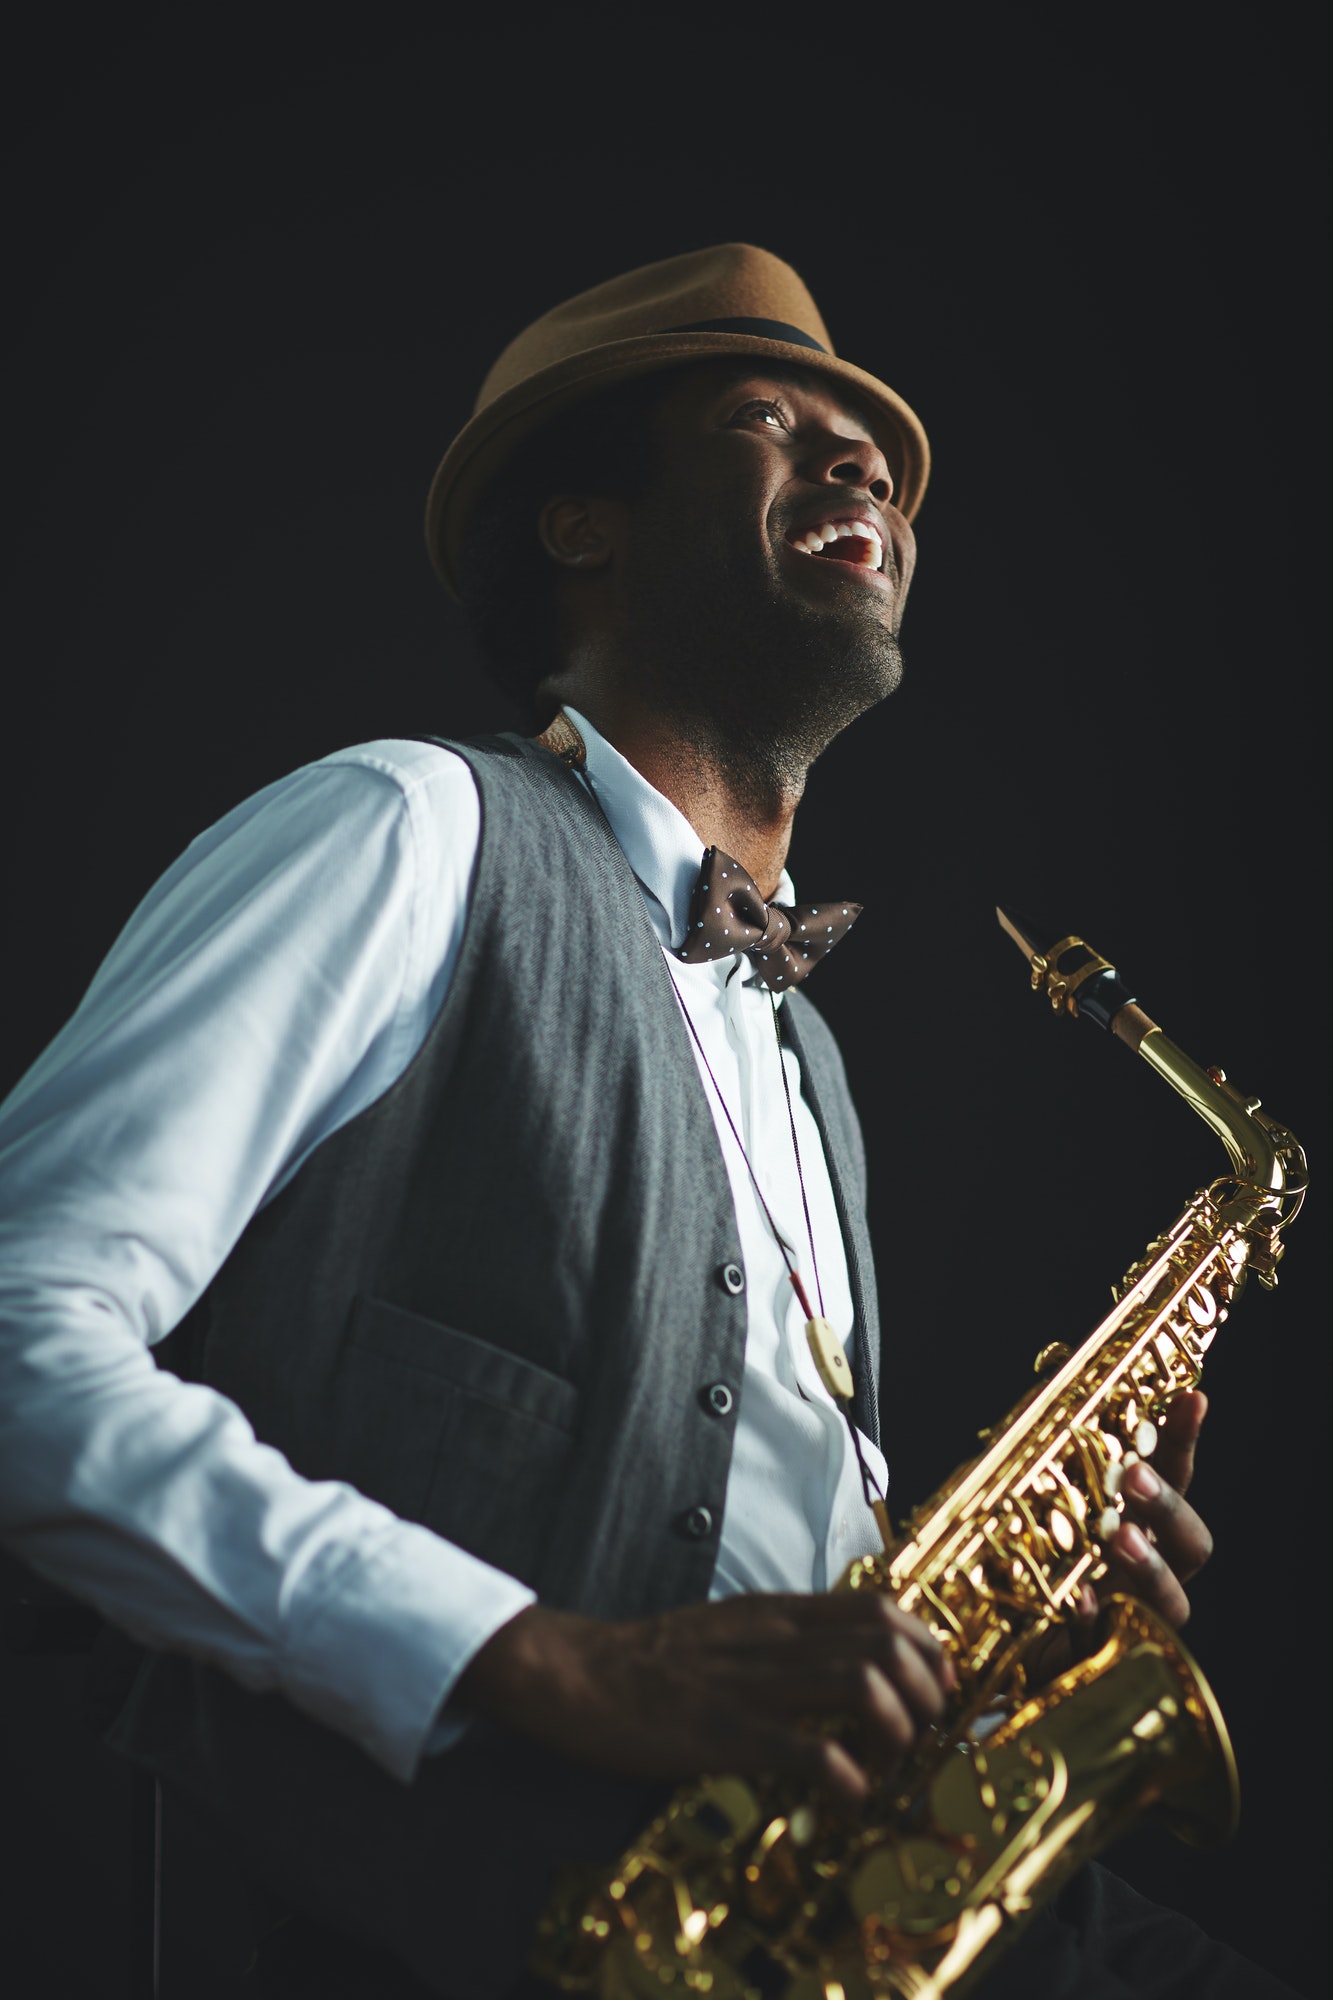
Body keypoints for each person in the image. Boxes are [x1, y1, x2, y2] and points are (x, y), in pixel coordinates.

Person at [0, 245, 1293, 1999]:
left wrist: (996, 1659)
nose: (864, 463)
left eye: (873, 448)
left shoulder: (810, 1069)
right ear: (582, 525)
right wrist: (542, 1662)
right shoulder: (403, 826)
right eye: (769, 419)